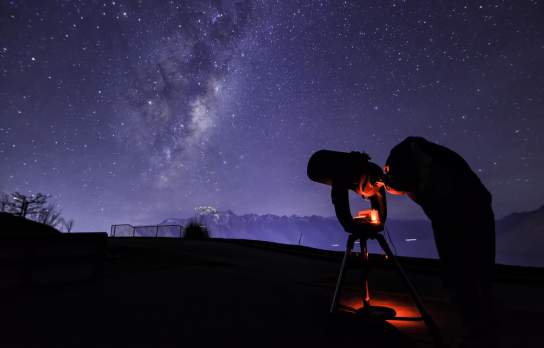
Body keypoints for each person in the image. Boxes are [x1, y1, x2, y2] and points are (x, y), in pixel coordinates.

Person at [375, 136, 495, 347]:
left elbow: (409, 186)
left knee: (461, 274)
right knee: (474, 272)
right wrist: (389, 181)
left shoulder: (435, 173)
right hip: (468, 211)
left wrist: (390, 183)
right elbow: (406, 184)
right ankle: (482, 324)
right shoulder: (417, 158)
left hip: (461, 216)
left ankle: (476, 331)